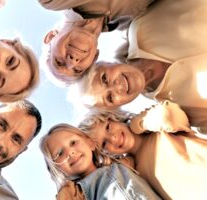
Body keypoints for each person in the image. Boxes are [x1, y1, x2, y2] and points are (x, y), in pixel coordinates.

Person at [79, 101, 207, 199]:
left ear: (116, 118)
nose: (113, 138)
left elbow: (168, 115)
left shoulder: (154, 128)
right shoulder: (134, 171)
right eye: (104, 143)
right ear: (106, 153)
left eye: (108, 127)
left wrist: (137, 124)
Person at [78, 59, 207, 133]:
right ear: (119, 106)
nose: (117, 87)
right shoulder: (190, 113)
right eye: (110, 98)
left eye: (104, 78)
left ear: (106, 63)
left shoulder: (142, 25)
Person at [40, 0, 153, 84]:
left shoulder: (52, 1)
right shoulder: (134, 23)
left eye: (59, 62)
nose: (72, 62)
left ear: (51, 37)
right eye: (78, 70)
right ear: (95, 57)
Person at [39, 123, 160, 200]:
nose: (70, 152)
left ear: (90, 143)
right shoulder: (73, 192)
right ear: (58, 170)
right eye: (60, 154)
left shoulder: (119, 164)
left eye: (73, 143)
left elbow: (136, 146)